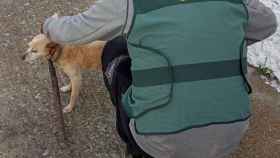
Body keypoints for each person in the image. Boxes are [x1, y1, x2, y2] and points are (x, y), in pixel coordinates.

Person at [43, 0, 278, 158]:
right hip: (230, 135)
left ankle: (135, 143)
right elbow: (267, 24)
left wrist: (48, 25)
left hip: (159, 143)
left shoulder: (130, 3)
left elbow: (72, 32)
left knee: (113, 50)